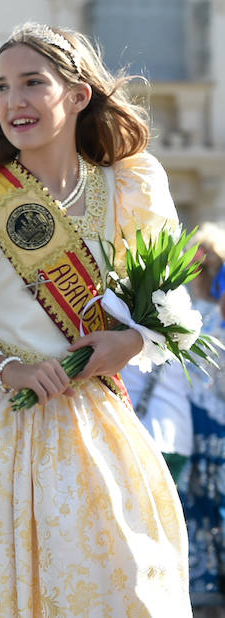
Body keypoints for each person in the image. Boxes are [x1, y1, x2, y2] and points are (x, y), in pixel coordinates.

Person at [0, 22, 190, 616]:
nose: (13, 101)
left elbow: (169, 313)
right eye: (1, 88)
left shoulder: (129, 187)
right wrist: (8, 369)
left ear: (78, 95)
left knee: (122, 585)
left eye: (32, 83)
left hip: (97, 425)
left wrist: (127, 345)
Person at [179, 223, 225, 608]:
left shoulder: (185, 315)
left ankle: (203, 579)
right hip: (214, 421)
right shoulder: (212, 314)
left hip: (192, 418)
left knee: (195, 499)